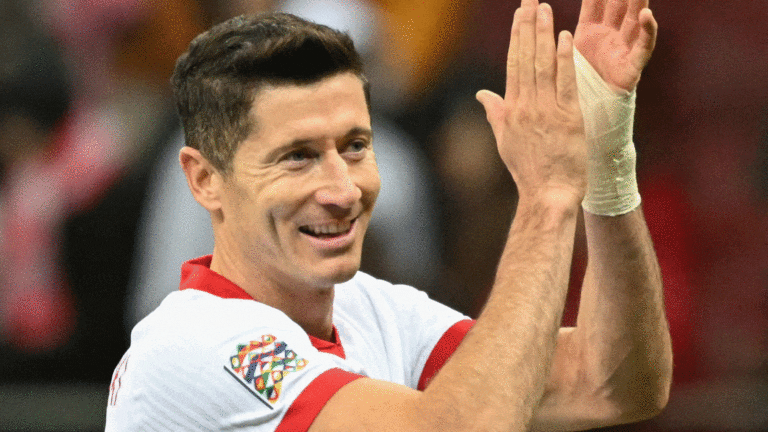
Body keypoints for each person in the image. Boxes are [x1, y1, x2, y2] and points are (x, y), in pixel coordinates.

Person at [106, 0, 672, 430]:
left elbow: (612, 384)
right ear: (204, 180)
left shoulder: (374, 310)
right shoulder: (192, 347)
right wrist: (546, 198)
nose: (342, 189)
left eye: (355, 146)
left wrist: (607, 164)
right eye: (297, 156)